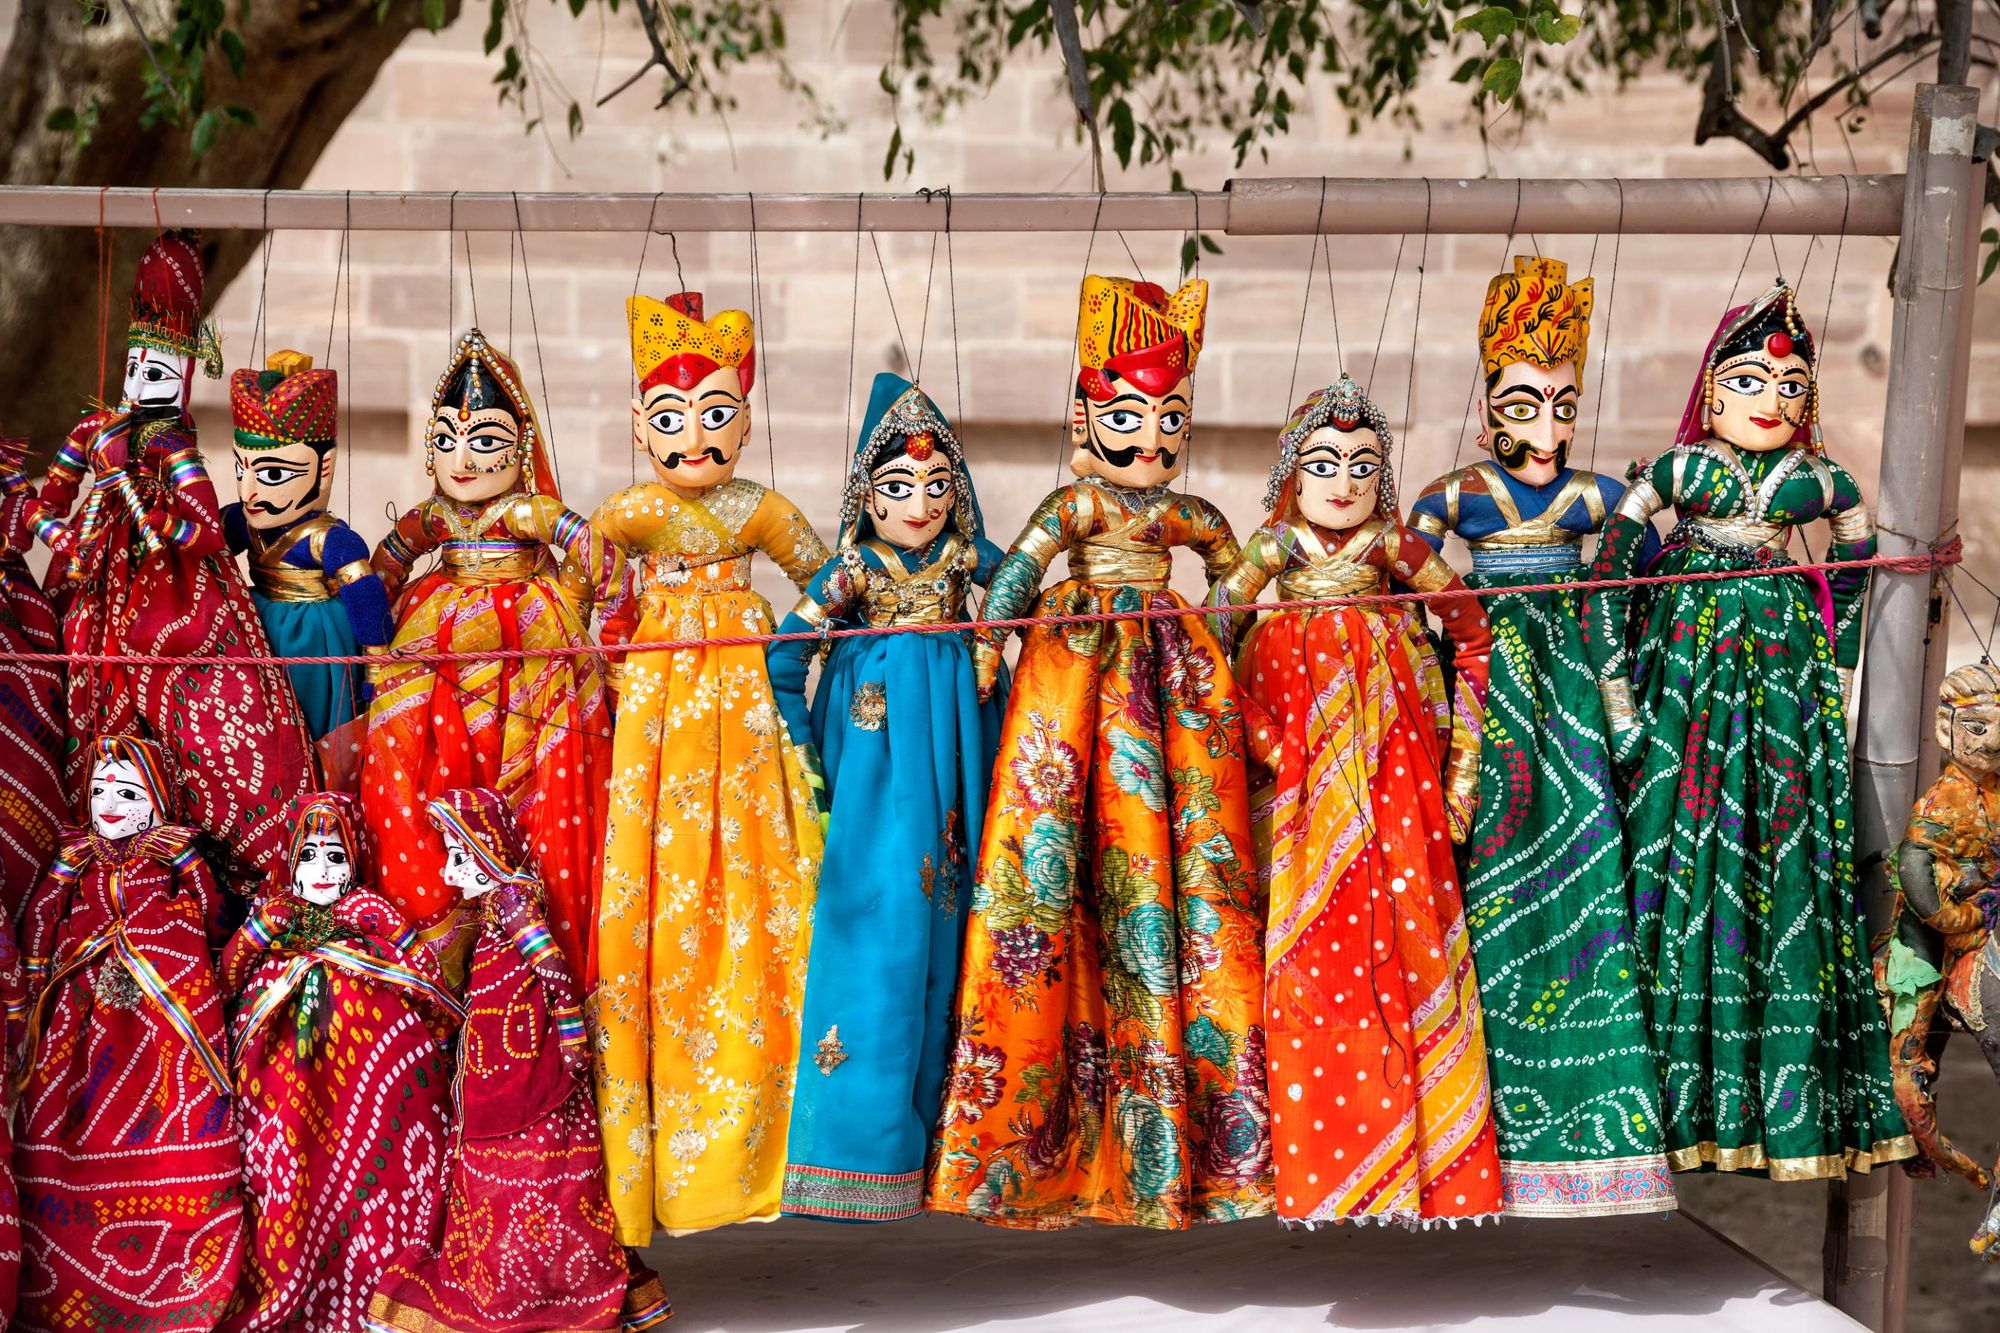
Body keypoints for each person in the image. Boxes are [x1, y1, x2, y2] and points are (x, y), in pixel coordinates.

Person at [929, 275, 1270, 1229]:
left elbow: (1237, 571)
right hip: (1073, 679)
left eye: (1171, 418)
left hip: (1173, 689)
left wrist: (1232, 643)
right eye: (1129, 414)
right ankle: (1055, 1144)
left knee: (1196, 877)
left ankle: (1190, 1144)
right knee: (1055, 882)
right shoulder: (1074, 505)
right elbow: (1018, 575)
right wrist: (990, 648)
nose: (1152, 439)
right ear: (1084, 417)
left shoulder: (1186, 514)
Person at [1582, 281, 1912, 1178]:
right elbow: (1611, 567)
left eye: (1792, 388)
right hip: (1682, 671)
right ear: (1714, 393)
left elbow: (1854, 551)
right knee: (1669, 841)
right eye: (1752, 384)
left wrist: (1837, 662)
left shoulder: (1815, 479)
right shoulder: (1678, 472)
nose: (1772, 401)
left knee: (1785, 850)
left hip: (1781, 680)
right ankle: (1661, 1095)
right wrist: (1616, 694)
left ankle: (1779, 1096)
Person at [1407, 257, 1675, 1217]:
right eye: (1526, 402)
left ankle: (1584, 1117)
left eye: (1564, 404)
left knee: (1586, 855)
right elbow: (1408, 550)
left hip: (1565, 692)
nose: (1548, 425)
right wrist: (1442, 610)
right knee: (1474, 863)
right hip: (1482, 682)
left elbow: (1648, 541)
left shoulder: (1596, 495)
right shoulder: (1457, 494)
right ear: (1491, 409)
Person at [1211, 373, 1502, 1226]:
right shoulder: (1269, 555)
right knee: (1298, 941)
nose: (1343, 483)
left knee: (1406, 934)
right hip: (1293, 773)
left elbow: (1473, 629)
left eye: (1364, 466)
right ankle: (1310, 1156)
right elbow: (1209, 641)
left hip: (1394, 766)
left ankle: (1425, 1156)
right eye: (1324, 463)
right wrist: (1262, 738)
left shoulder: (1396, 550)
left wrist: (1463, 767)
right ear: (1291, 474)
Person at [592, 291, 829, 1238]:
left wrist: (807, 632)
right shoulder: (631, 510)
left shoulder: (760, 509)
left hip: (745, 707)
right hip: (655, 716)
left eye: (717, 413)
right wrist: (611, 635)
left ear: (745, 413)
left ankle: (770, 1144)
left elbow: (828, 574)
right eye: (670, 416)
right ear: (640, 423)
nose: (694, 435)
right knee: (658, 896)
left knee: (761, 896)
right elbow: (585, 573)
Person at [765, 371, 1007, 1222]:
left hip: (959, 750)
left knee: (960, 911)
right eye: (897, 487)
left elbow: (1031, 587)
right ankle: (857, 1147)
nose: (918, 504)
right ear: (866, 495)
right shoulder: (851, 571)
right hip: (872, 756)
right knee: (874, 918)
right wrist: (805, 759)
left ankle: (953, 1146)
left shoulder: (966, 559)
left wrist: (993, 646)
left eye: (938, 486)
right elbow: (783, 656)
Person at [25, 231, 313, 895]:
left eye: (157, 374)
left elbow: (210, 529)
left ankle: (219, 869)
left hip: (178, 595)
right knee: (85, 706)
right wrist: (57, 535)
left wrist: (159, 519)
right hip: (95, 585)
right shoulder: (93, 434)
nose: (138, 384)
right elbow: (51, 498)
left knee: (213, 725)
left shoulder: (174, 445)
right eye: (133, 369)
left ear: (183, 379)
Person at [360, 328, 617, 984]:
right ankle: (438, 951)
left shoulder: (529, 510)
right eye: (446, 440)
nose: (463, 459)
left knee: (536, 782)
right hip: (433, 652)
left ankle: (531, 959)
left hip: (530, 647)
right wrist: (372, 639)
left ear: (521, 448)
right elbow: (384, 563)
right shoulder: (435, 519)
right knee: (412, 774)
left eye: (484, 441)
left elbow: (595, 554)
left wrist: (578, 612)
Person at [365, 788, 668, 1333]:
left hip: (533, 1073)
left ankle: (542, 1297)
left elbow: (551, 970)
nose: (453, 872)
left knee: (542, 1185)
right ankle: (520, 1291)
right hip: (498, 1073)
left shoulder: (512, 902)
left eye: (462, 856)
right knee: (512, 1188)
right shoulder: (490, 911)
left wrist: (572, 1042)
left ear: (489, 851)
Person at [15, 736, 244, 1331]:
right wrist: (37, 985)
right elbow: (42, 913)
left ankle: (181, 1270)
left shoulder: (172, 853)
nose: (108, 804)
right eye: (98, 791)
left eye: (127, 792)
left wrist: (189, 874)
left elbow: (215, 919)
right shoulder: (75, 855)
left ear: (157, 799)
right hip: (78, 1002)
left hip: (163, 1006)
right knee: (60, 1109)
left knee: (176, 1096)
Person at [219, 792, 461, 1333]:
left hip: (374, 1091)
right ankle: (293, 1285)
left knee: (381, 1171)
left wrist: (441, 1045)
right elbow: (227, 978)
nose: (322, 870)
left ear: (355, 863)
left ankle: (386, 1290)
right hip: (284, 1085)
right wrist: (263, 932)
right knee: (290, 1173)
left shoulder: (373, 916)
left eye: (335, 856)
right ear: (289, 860)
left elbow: (425, 979)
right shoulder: (273, 916)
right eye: (309, 855)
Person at [223, 350, 391, 774]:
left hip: (311, 636)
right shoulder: (243, 522)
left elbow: (364, 593)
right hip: (253, 624)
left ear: (325, 468)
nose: (249, 490)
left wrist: (376, 665)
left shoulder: (328, 539)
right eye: (241, 468)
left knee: (311, 718)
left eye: (273, 474)